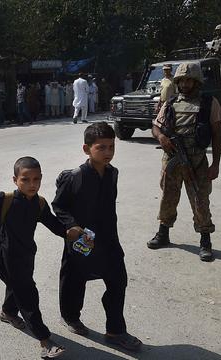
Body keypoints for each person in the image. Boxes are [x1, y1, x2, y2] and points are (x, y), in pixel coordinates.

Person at [53, 122, 142, 352]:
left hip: (109, 239)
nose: (108, 153)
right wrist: (72, 226)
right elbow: (59, 206)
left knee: (118, 280)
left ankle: (115, 331)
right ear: (87, 149)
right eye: (101, 148)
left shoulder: (113, 174)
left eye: (111, 147)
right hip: (82, 240)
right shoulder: (75, 177)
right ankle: (71, 317)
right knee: (75, 279)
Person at [0, 157, 68, 359]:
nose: (32, 184)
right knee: (28, 295)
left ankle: (8, 312)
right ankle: (45, 340)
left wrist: (70, 232)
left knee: (17, 286)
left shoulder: (39, 203)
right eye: (25, 180)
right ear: (15, 180)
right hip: (9, 256)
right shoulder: (5, 199)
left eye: (36, 179)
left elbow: (53, 225)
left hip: (27, 254)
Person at [148, 62, 221, 262]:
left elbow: (217, 135)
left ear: (197, 81)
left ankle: (205, 240)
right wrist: (161, 138)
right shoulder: (170, 102)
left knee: (200, 201)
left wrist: (215, 164)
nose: (185, 84)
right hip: (172, 160)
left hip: (197, 162)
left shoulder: (209, 103)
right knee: (168, 198)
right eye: (181, 80)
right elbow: (156, 126)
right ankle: (163, 233)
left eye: (189, 80)